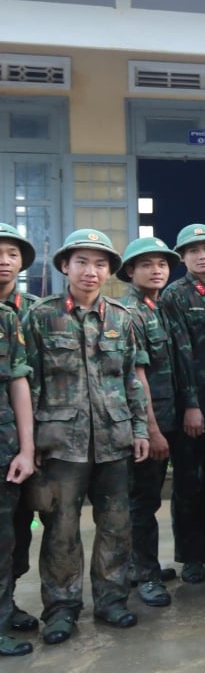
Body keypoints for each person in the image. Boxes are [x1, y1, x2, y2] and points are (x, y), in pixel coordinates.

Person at [23, 229, 149, 644]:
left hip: (113, 440)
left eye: (99, 264)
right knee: (60, 528)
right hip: (61, 442)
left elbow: (131, 379)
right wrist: (32, 442)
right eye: (82, 262)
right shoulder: (41, 317)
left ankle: (112, 601)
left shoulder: (123, 317)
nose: (91, 272)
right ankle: (61, 609)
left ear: (110, 270)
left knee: (116, 525)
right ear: (64, 266)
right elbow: (31, 381)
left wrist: (139, 428)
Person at [117, 237, 187, 607]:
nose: (157, 270)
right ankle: (143, 573)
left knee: (145, 498)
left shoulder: (159, 307)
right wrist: (152, 430)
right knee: (142, 501)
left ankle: (138, 564)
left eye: (162, 263)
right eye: (147, 264)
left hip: (168, 416)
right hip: (147, 423)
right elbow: (137, 376)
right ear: (130, 271)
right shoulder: (129, 312)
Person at [159, 223, 205, 585]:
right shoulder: (174, 296)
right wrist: (190, 404)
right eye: (193, 251)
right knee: (189, 481)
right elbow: (180, 354)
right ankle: (190, 554)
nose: (202, 255)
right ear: (182, 258)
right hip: (192, 405)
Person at [0, 223, 39, 634]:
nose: (3, 260)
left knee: (14, 531)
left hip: (16, 438)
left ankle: (6, 603)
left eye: (11, 253)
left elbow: (22, 380)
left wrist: (29, 446)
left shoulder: (30, 310)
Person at [0, 302, 33, 656]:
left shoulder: (5, 317)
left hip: (3, 448)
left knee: (4, 542)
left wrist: (26, 448)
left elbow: (18, 381)